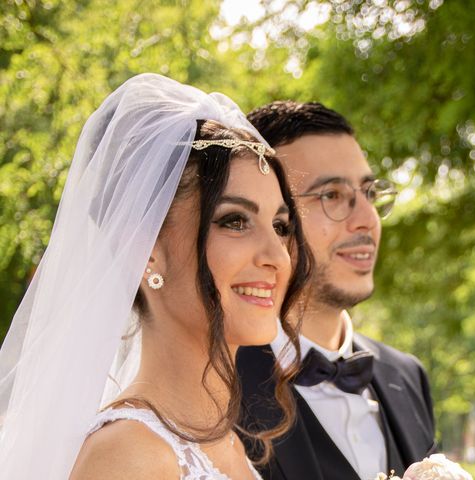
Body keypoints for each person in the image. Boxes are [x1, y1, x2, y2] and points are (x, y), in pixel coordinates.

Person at [0, 74, 312, 479]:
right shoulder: (129, 457)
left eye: (281, 226)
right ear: (146, 253)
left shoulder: (225, 445)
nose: (276, 256)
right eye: (235, 221)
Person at [237, 101, 437, 480]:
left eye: (369, 193)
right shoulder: (216, 390)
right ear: (268, 215)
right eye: (331, 195)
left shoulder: (409, 376)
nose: (367, 220)